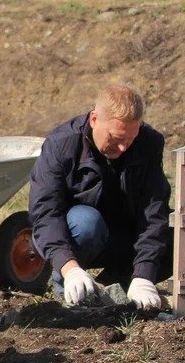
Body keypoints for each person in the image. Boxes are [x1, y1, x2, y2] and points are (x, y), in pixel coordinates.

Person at [29, 84, 172, 312]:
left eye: (131, 138)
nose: (124, 147)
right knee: (87, 222)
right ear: (95, 119)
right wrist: (69, 267)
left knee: (175, 241)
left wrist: (144, 274)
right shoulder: (62, 144)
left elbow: (153, 210)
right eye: (116, 138)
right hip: (77, 237)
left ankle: (111, 289)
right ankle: (68, 288)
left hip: (122, 234)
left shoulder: (149, 143)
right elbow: (45, 212)